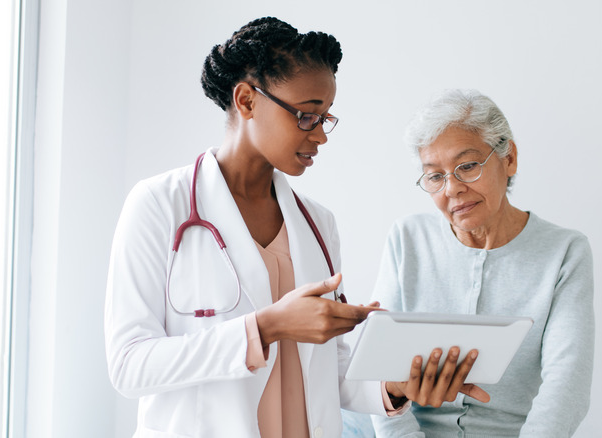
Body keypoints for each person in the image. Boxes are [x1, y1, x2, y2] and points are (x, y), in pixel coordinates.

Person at [104, 18, 487, 438]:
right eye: (307, 116)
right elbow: (130, 366)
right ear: (247, 100)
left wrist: (397, 387)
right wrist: (267, 327)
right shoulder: (160, 205)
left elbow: (327, 370)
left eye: (326, 118)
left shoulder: (318, 223)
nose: (321, 135)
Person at [369, 89, 595, 437]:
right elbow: (380, 372)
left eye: (468, 166)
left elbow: (567, 384)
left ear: (509, 159)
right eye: (435, 176)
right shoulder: (407, 238)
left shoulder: (564, 251)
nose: (452, 189)